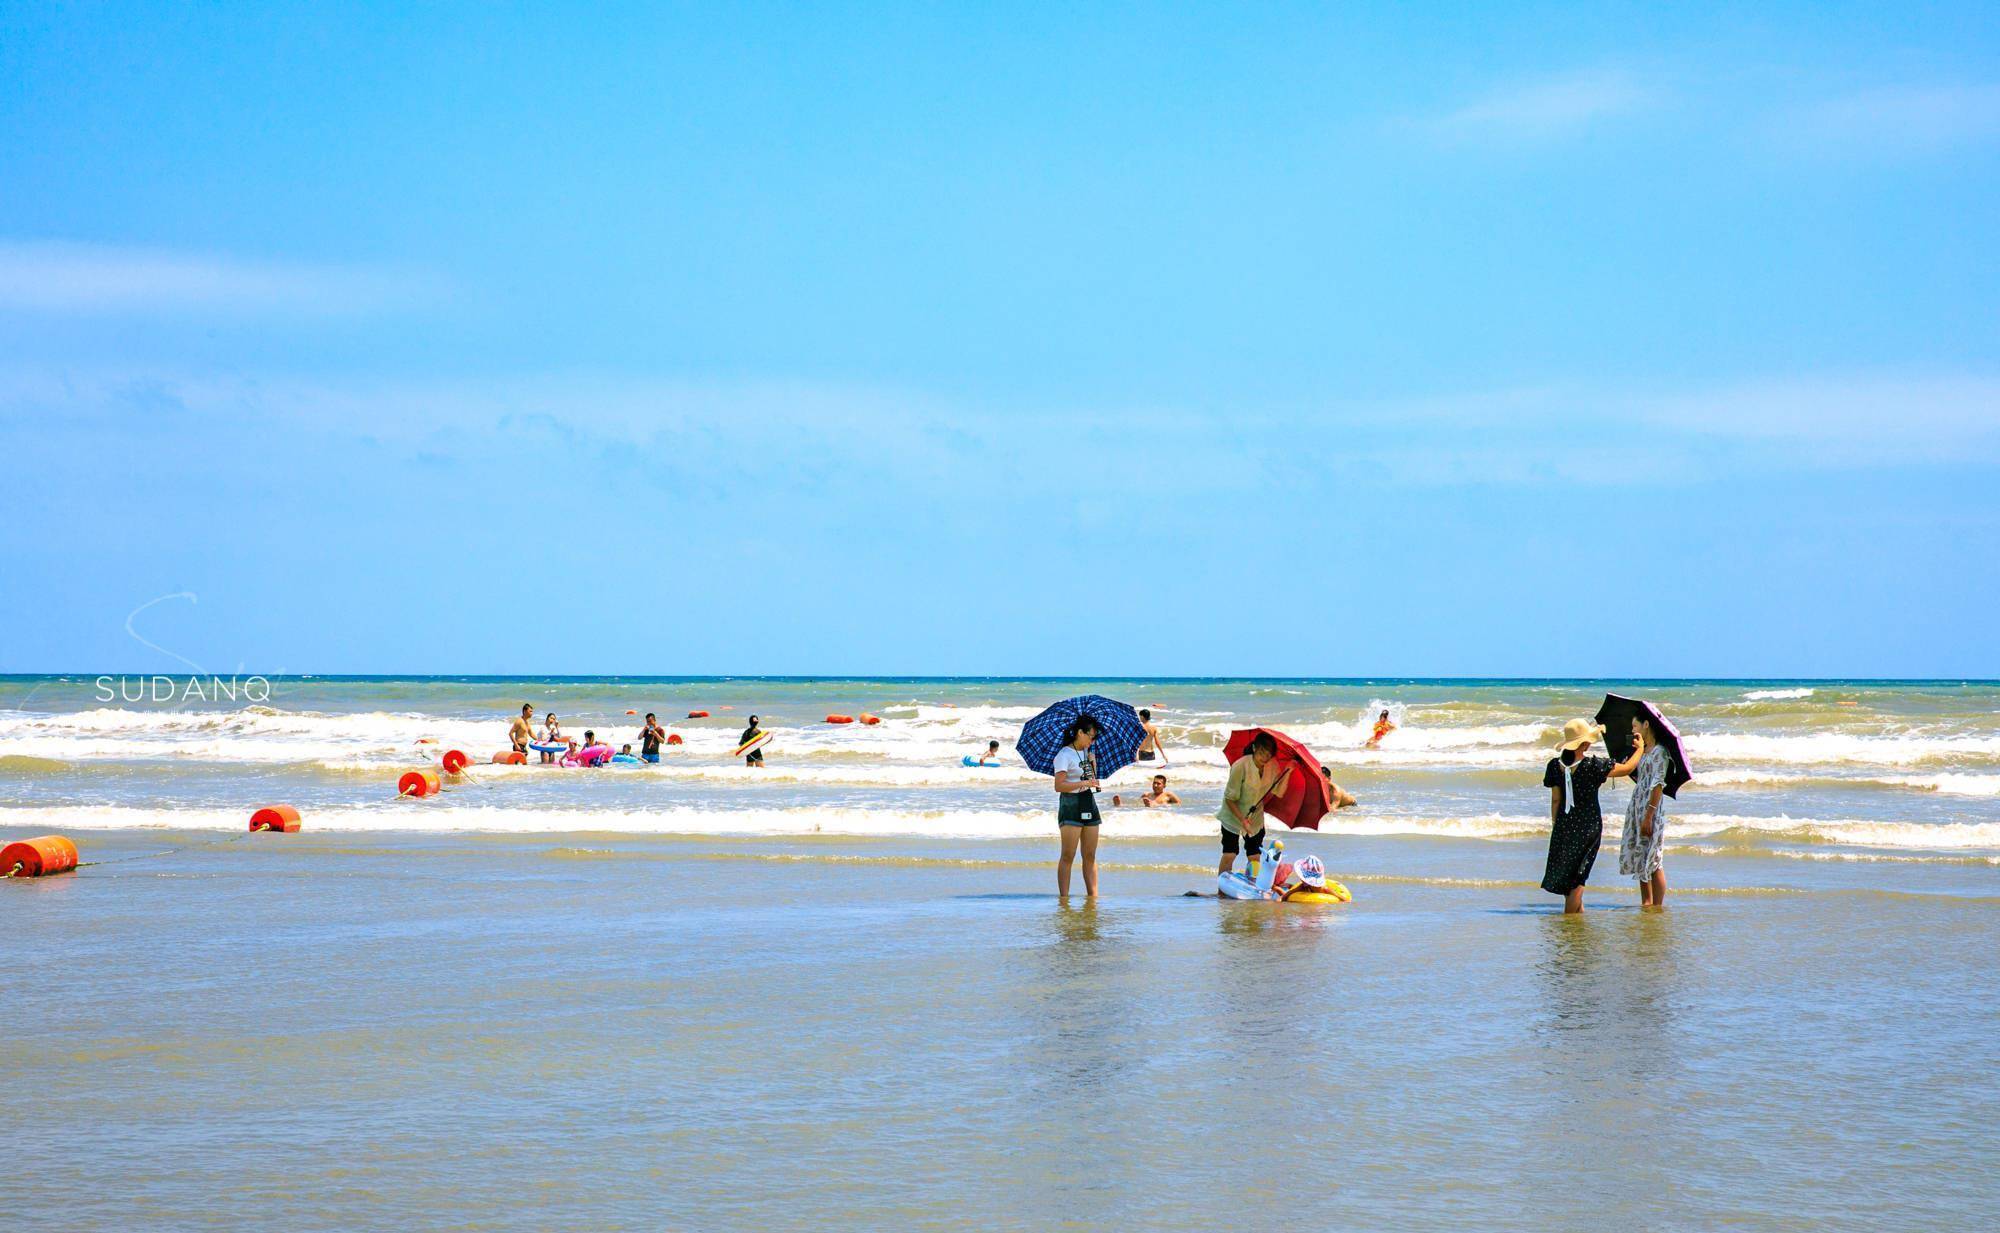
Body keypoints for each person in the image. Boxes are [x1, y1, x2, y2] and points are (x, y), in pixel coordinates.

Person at [1541, 719, 1616, 914]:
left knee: (1569, 875)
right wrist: (1640, 749)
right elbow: (1628, 768)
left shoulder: (1554, 766)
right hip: (1589, 827)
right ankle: (1569, 924)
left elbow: (1556, 801)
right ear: (1585, 744)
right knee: (1578, 879)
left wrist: (1557, 824)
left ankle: (1576, 919)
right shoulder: (1593, 766)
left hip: (1564, 825)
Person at [1217, 732, 1292, 880]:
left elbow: (1279, 792)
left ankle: (1251, 885)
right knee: (1230, 853)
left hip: (1255, 816)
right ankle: (1222, 889)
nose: (1264, 757)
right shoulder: (1240, 766)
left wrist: (1289, 771)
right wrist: (1242, 820)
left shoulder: (1272, 766)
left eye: (1268, 754)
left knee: (1254, 856)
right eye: (1262, 752)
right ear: (1254, 748)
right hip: (1233, 815)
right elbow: (1229, 799)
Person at [1619, 711, 1674, 909]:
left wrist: (1649, 816)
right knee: (1642, 855)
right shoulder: (1643, 750)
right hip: (1638, 804)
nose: (1633, 730)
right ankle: (1646, 903)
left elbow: (1658, 784)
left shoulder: (1660, 751)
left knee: (1654, 858)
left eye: (1635, 726)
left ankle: (1657, 906)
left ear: (1646, 725)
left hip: (1651, 807)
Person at [1051, 714, 1103, 897]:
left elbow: (1092, 782)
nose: (1092, 739)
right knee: (1068, 855)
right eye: (1091, 735)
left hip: (1089, 802)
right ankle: (1064, 898)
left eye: (1094, 737)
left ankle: (1093, 897)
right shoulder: (1064, 754)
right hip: (1071, 804)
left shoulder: (1086, 753)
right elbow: (1059, 786)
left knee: (1090, 855)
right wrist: (1083, 784)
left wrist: (1093, 764)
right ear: (1080, 732)